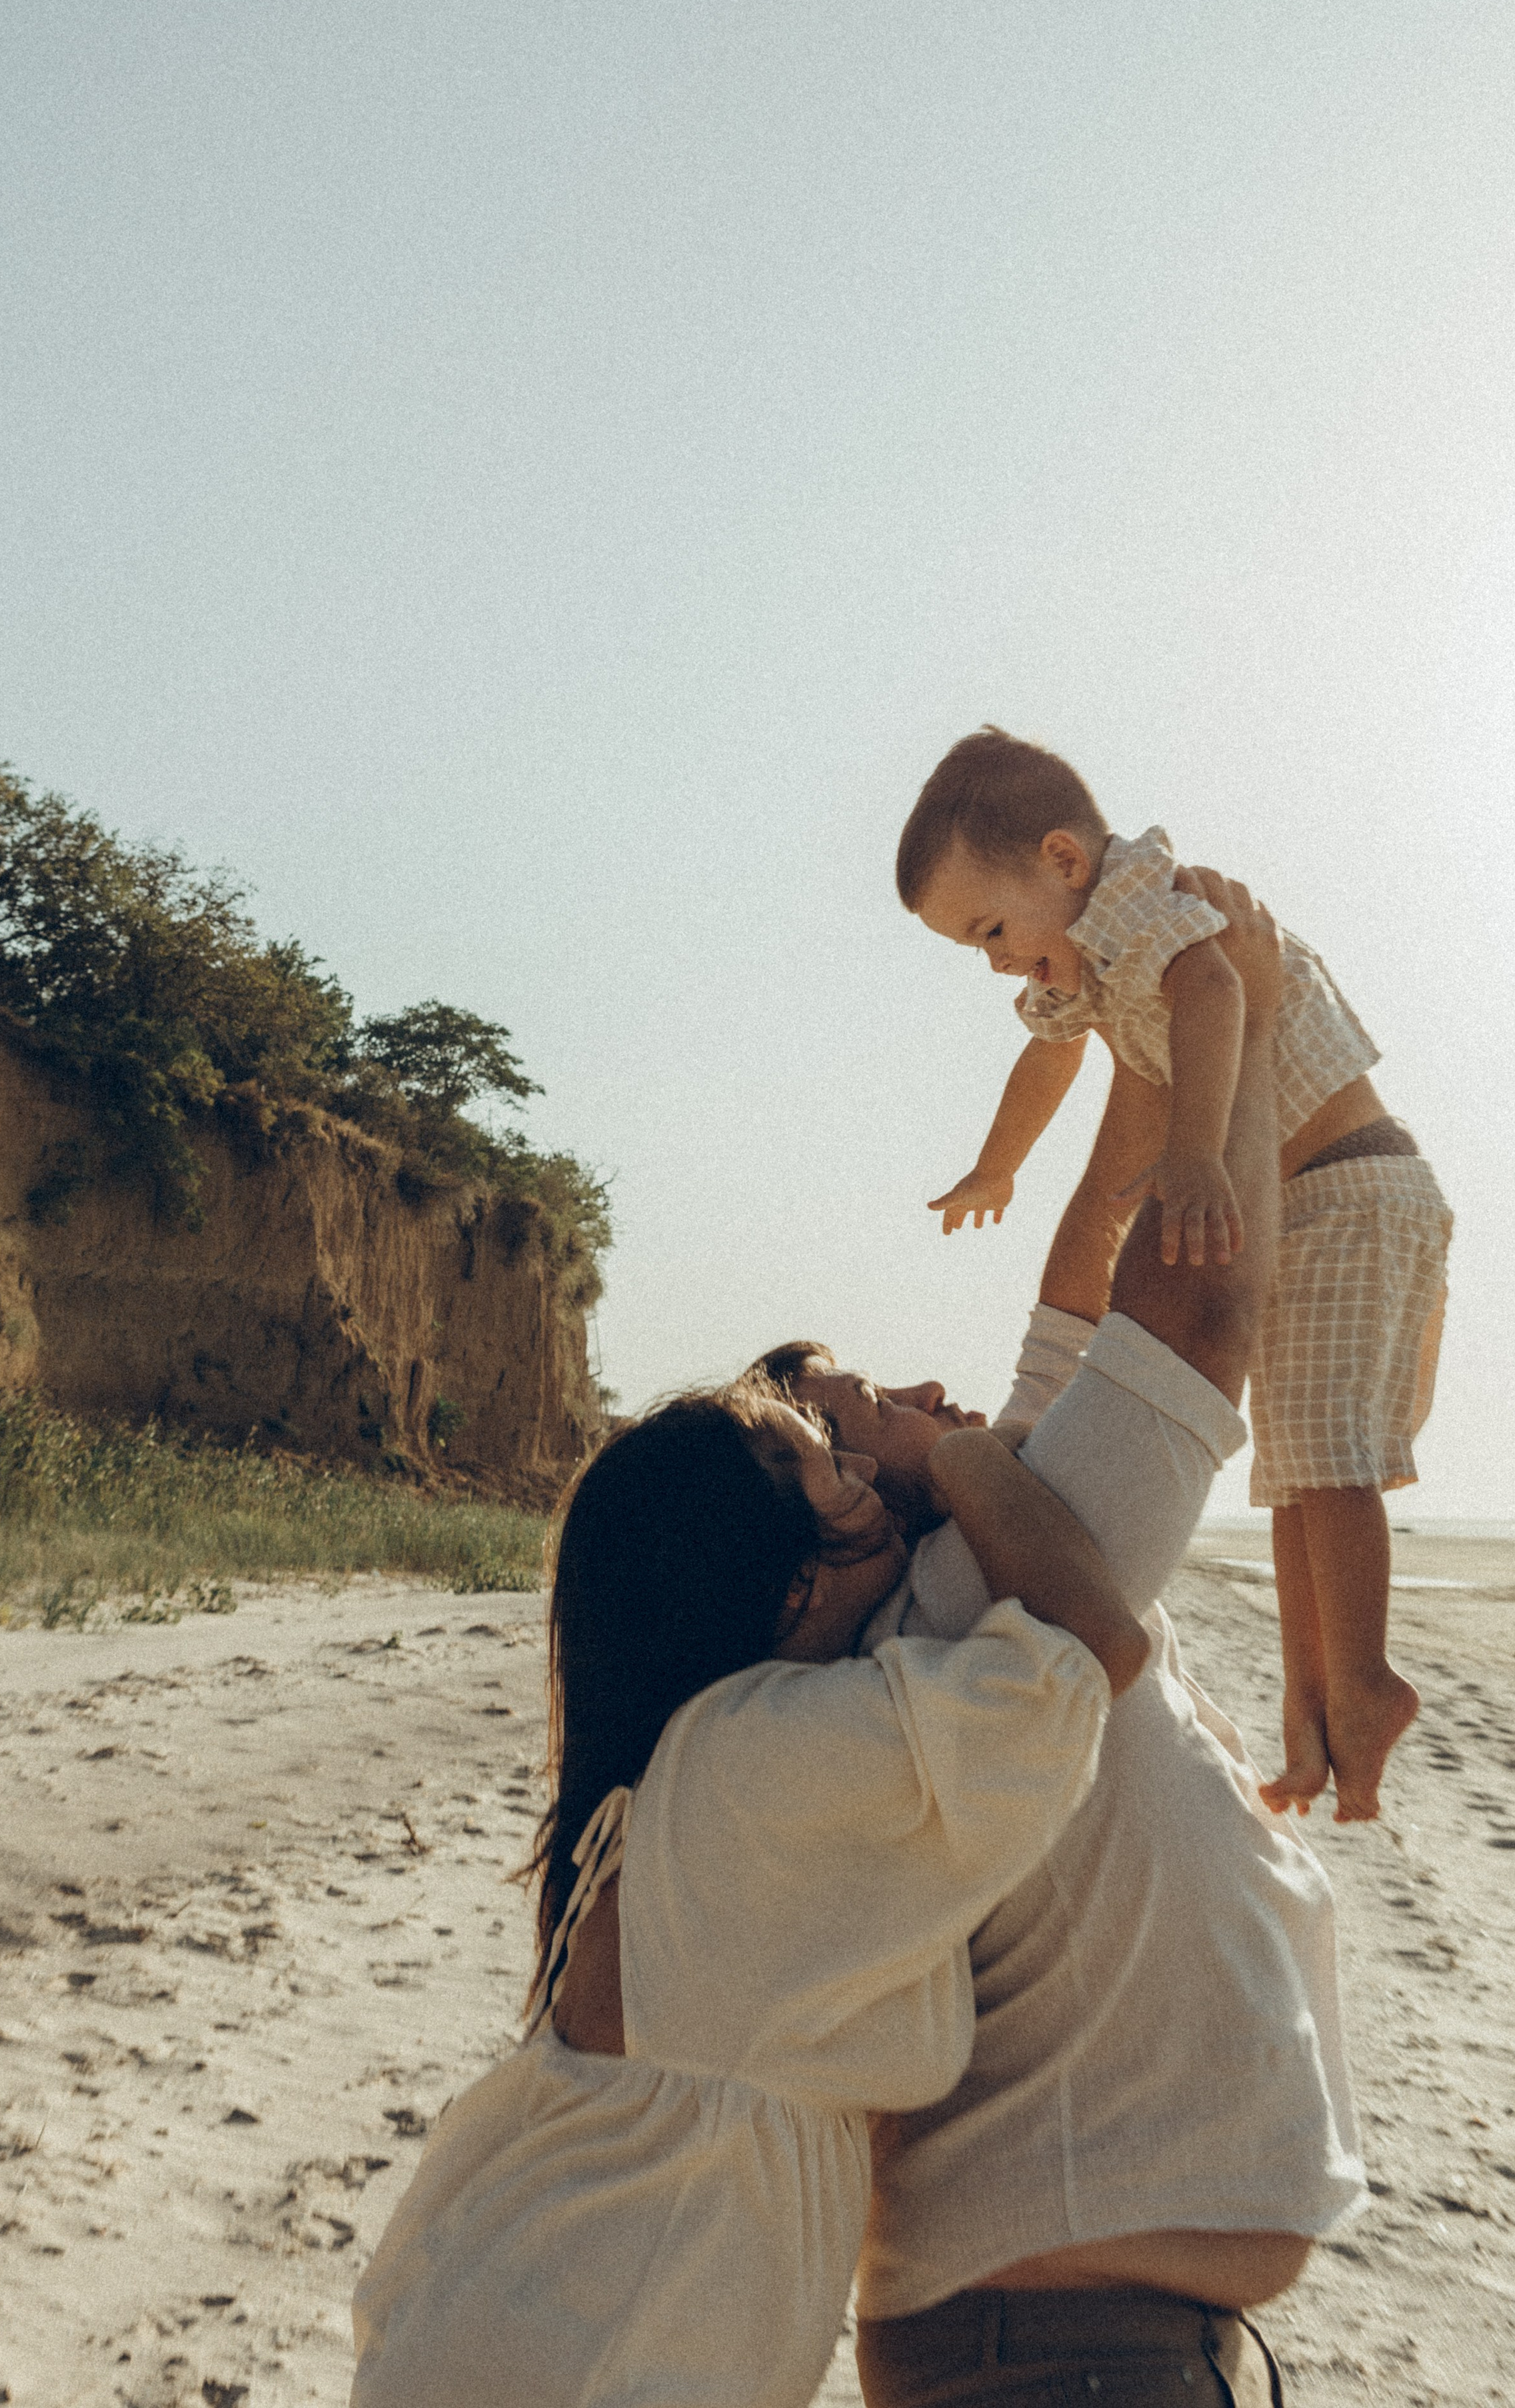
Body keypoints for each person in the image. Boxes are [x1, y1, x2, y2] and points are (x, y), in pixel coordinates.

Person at [758, 874, 1366, 2407]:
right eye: (852, 1413)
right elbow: (1199, 1305)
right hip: (1060, 2356)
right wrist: (1242, 995)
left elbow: (1089, 1259)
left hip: (1067, 2338)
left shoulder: (982, 1546)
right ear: (823, 1515)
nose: (906, 1388)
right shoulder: (964, 1594)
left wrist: (1140, 1032)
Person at [348, 1377, 1149, 2408]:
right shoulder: (758, 1768)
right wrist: (956, 1458)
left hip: (518, 2344)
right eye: (823, 1467)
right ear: (788, 1586)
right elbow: (1091, 1646)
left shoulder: (698, 1763)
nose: (863, 1469)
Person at [893, 724, 1452, 1821]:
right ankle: (1315, 1715)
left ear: (1063, 860)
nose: (999, 962)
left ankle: (1366, 1677)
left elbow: (1214, 993)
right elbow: (1050, 1056)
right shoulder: (1085, 965)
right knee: (1294, 1473)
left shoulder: (1140, 894)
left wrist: (1194, 1151)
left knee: (1331, 1463)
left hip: (1353, 1185)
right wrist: (993, 1167)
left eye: (993, 928)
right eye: (976, 950)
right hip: (1301, 1202)